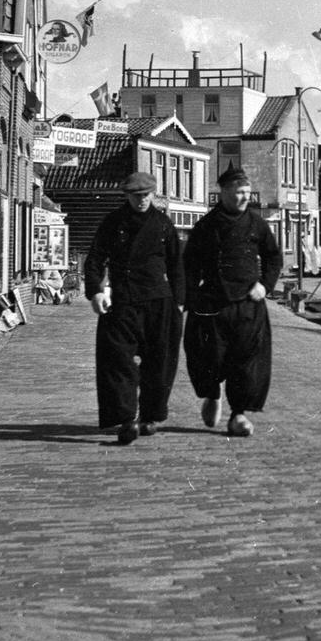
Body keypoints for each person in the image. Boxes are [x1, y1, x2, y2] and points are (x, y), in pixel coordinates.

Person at [84, 171, 184, 445]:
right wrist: (95, 291)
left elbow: (177, 265)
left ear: (153, 195)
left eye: (146, 195)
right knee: (117, 361)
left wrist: (179, 301)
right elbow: (95, 258)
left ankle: (150, 415)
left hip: (158, 302)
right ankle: (126, 419)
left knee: (159, 362)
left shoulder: (163, 225)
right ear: (127, 196)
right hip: (123, 302)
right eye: (136, 196)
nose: (141, 201)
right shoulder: (113, 223)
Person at [183, 165, 283, 437]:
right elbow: (189, 264)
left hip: (248, 304)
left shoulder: (257, 224)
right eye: (238, 192)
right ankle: (212, 395)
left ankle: (238, 414)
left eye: (247, 193)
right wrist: (189, 296)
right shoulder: (206, 226)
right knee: (209, 358)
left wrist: (266, 285)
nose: (243, 198)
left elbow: (274, 257)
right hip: (213, 303)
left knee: (246, 362)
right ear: (224, 192)